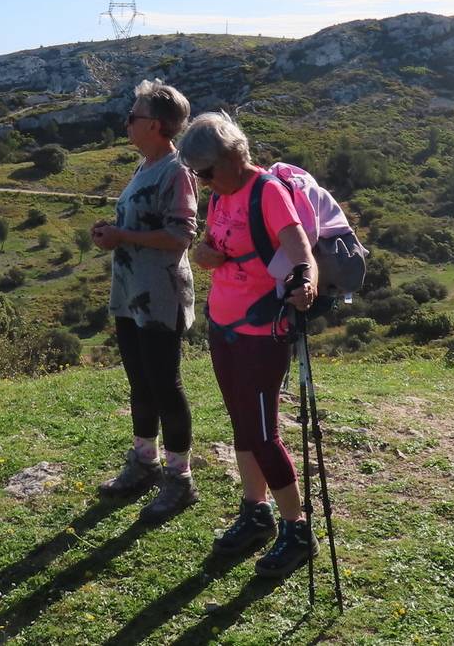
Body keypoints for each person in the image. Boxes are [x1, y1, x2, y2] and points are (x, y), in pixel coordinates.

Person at [179, 111, 319, 578]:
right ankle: (255, 513)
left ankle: (297, 530)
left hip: (263, 333)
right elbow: (208, 248)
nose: (202, 181)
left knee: (263, 434)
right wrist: (205, 254)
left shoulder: (267, 192)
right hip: (225, 326)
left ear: (234, 156)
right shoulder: (219, 196)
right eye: (197, 174)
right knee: (243, 426)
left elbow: (299, 248)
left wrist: (306, 282)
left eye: (206, 171)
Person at [92, 80, 198, 524]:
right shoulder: (145, 165)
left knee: (164, 385)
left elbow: (181, 236)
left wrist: (123, 236)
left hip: (159, 296)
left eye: (132, 117)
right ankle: (144, 462)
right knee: (140, 382)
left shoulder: (177, 170)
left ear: (154, 124)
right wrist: (111, 235)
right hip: (131, 294)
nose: (127, 123)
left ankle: (180, 479)